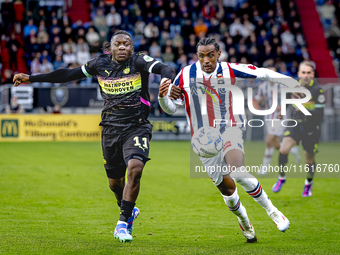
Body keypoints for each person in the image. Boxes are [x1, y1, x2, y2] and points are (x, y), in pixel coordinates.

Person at [13, 30, 175, 243]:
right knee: (115, 184)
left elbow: (166, 68)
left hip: (137, 126)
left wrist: (166, 80)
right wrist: (31, 78)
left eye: (127, 44)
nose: (123, 47)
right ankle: (127, 208)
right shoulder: (99, 65)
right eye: (118, 44)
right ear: (111, 47)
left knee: (135, 169)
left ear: (132, 48)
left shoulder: (139, 61)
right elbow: (67, 75)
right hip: (110, 129)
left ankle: (122, 222)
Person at [158, 38, 305, 242]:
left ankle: (273, 212)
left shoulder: (230, 69)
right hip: (203, 141)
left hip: (230, 127)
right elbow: (171, 108)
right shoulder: (185, 74)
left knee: (237, 171)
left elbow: (263, 72)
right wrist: (163, 98)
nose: (206, 60)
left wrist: (291, 83)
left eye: (210, 55)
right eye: (201, 56)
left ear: (218, 53)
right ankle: (244, 220)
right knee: (227, 190)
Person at [272, 61, 324, 197]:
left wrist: (305, 106)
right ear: (299, 74)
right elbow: (286, 99)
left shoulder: (317, 90)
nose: (306, 75)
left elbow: (320, 113)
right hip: (295, 125)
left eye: (308, 73)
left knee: (309, 159)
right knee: (283, 149)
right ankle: (281, 178)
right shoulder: (293, 87)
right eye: (303, 72)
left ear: (312, 74)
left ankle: (308, 184)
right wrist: (281, 110)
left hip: (311, 128)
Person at [255, 66, 300, 175]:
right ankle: (293, 150)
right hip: (267, 116)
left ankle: (264, 168)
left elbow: (290, 98)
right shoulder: (262, 86)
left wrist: (283, 106)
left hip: (280, 116)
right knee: (273, 143)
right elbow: (258, 99)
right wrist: (258, 102)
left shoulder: (281, 85)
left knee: (268, 140)